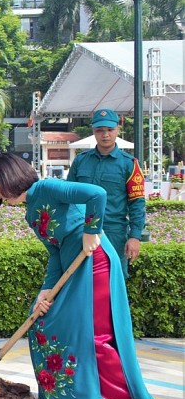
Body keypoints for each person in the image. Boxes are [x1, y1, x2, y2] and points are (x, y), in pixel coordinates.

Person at [0, 153, 159, 399]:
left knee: (94, 337)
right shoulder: (31, 211)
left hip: (95, 263)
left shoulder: (47, 188)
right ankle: (70, 398)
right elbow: (55, 253)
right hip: (73, 268)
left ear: (11, 177)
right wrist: (46, 290)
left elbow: (97, 194)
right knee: (42, 321)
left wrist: (92, 231)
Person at [68, 107, 145, 278]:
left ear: (118, 129)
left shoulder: (129, 164)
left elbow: (137, 203)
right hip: (81, 231)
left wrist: (135, 237)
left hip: (114, 233)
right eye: (100, 130)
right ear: (93, 131)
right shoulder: (81, 161)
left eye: (110, 130)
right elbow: (68, 198)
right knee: (80, 282)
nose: (105, 135)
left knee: (113, 283)